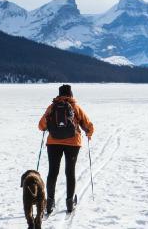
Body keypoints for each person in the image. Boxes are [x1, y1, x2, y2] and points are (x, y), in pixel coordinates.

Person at [38, 84, 94, 214]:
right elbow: (88, 125)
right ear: (71, 94)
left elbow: (41, 126)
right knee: (70, 172)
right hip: (73, 143)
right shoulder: (75, 107)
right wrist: (89, 133)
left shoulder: (52, 107)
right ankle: (69, 203)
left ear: (59, 94)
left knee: (53, 172)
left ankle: (50, 203)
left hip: (53, 143)